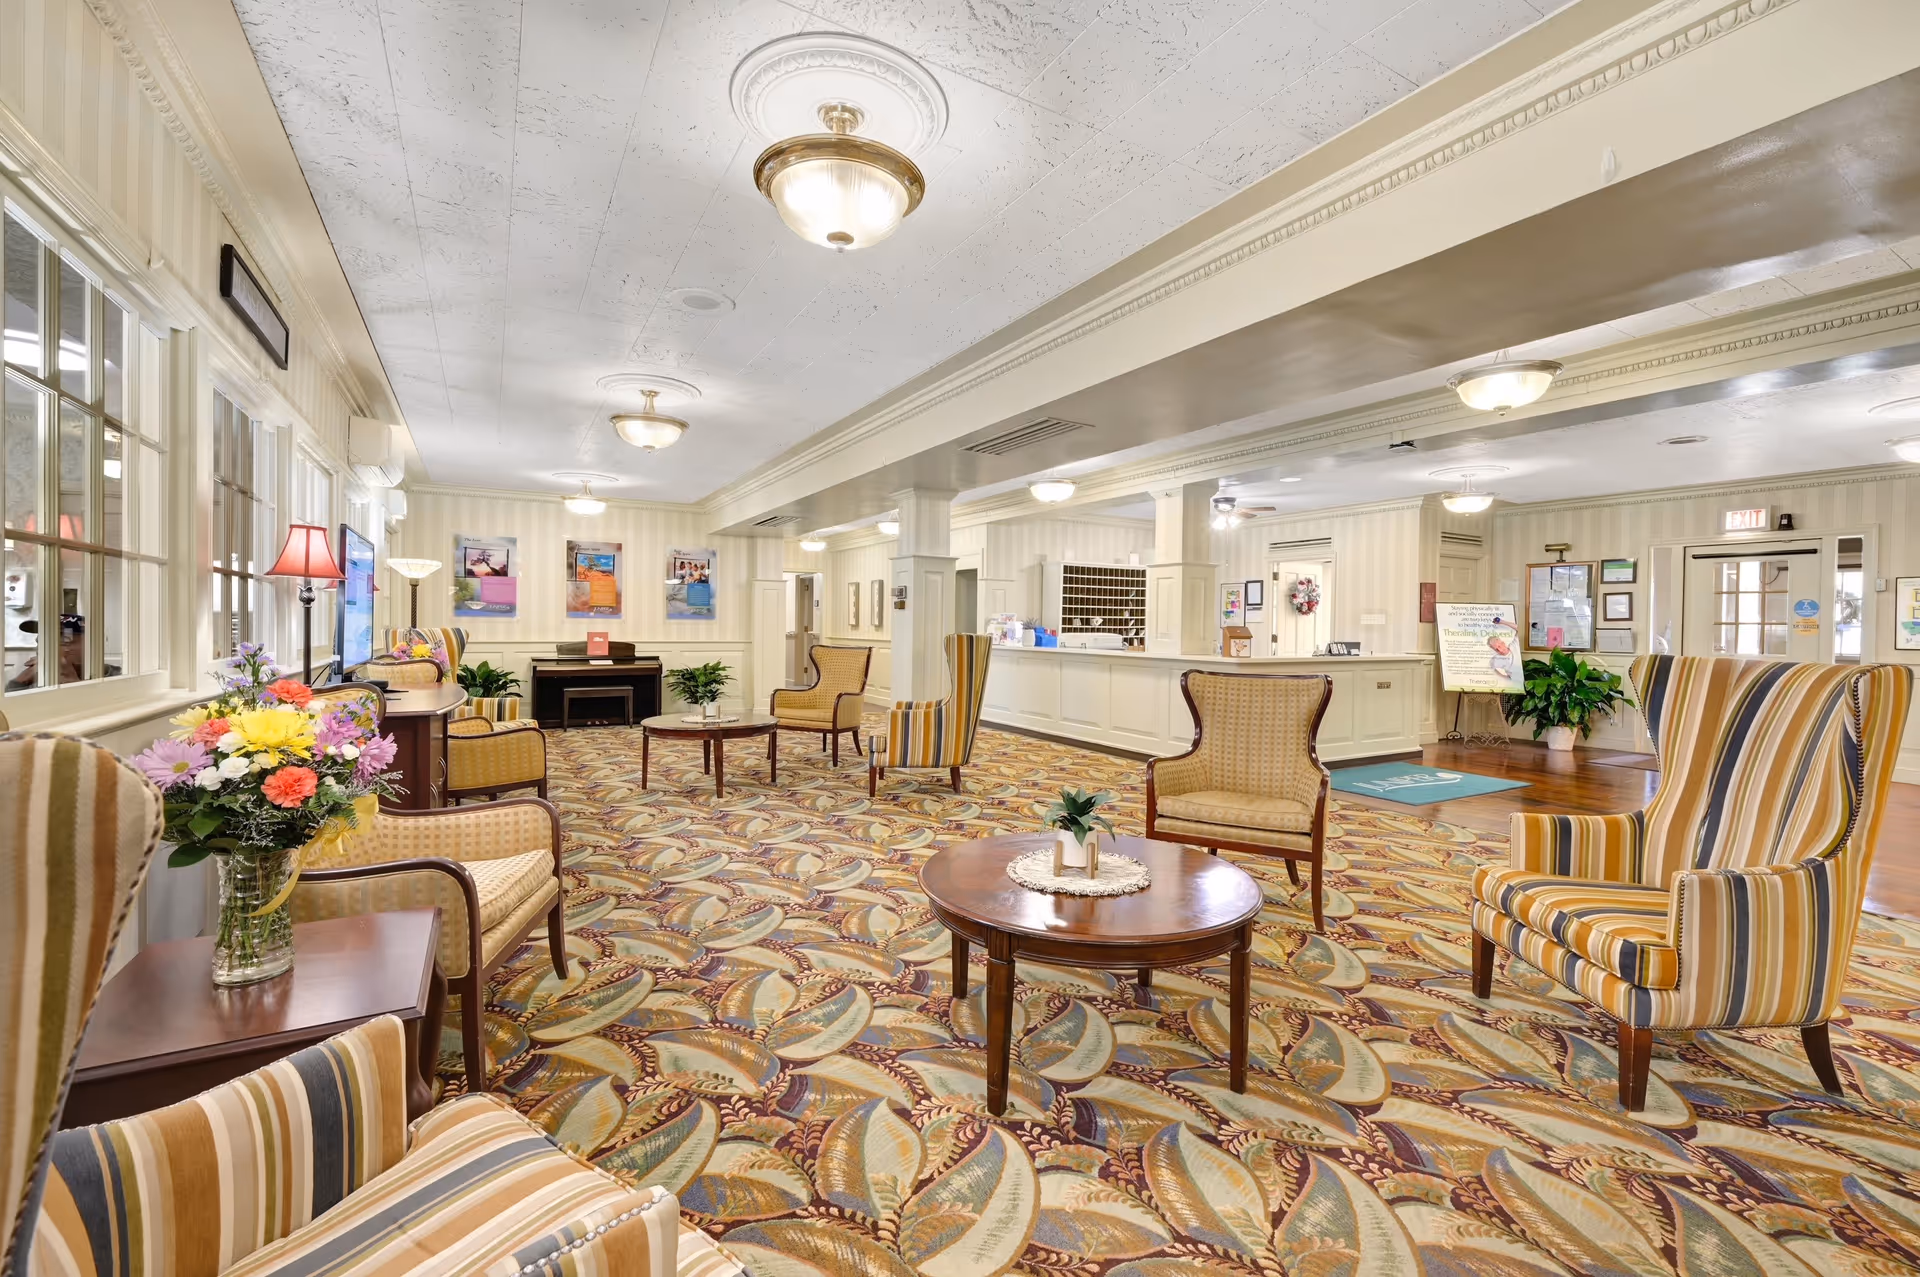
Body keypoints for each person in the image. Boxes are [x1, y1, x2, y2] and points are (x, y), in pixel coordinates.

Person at [5, 615, 86, 688]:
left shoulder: (96, 677)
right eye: (39, 641)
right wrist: (19, 682)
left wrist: (72, 683)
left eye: (62, 641)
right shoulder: (37, 677)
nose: (42, 649)